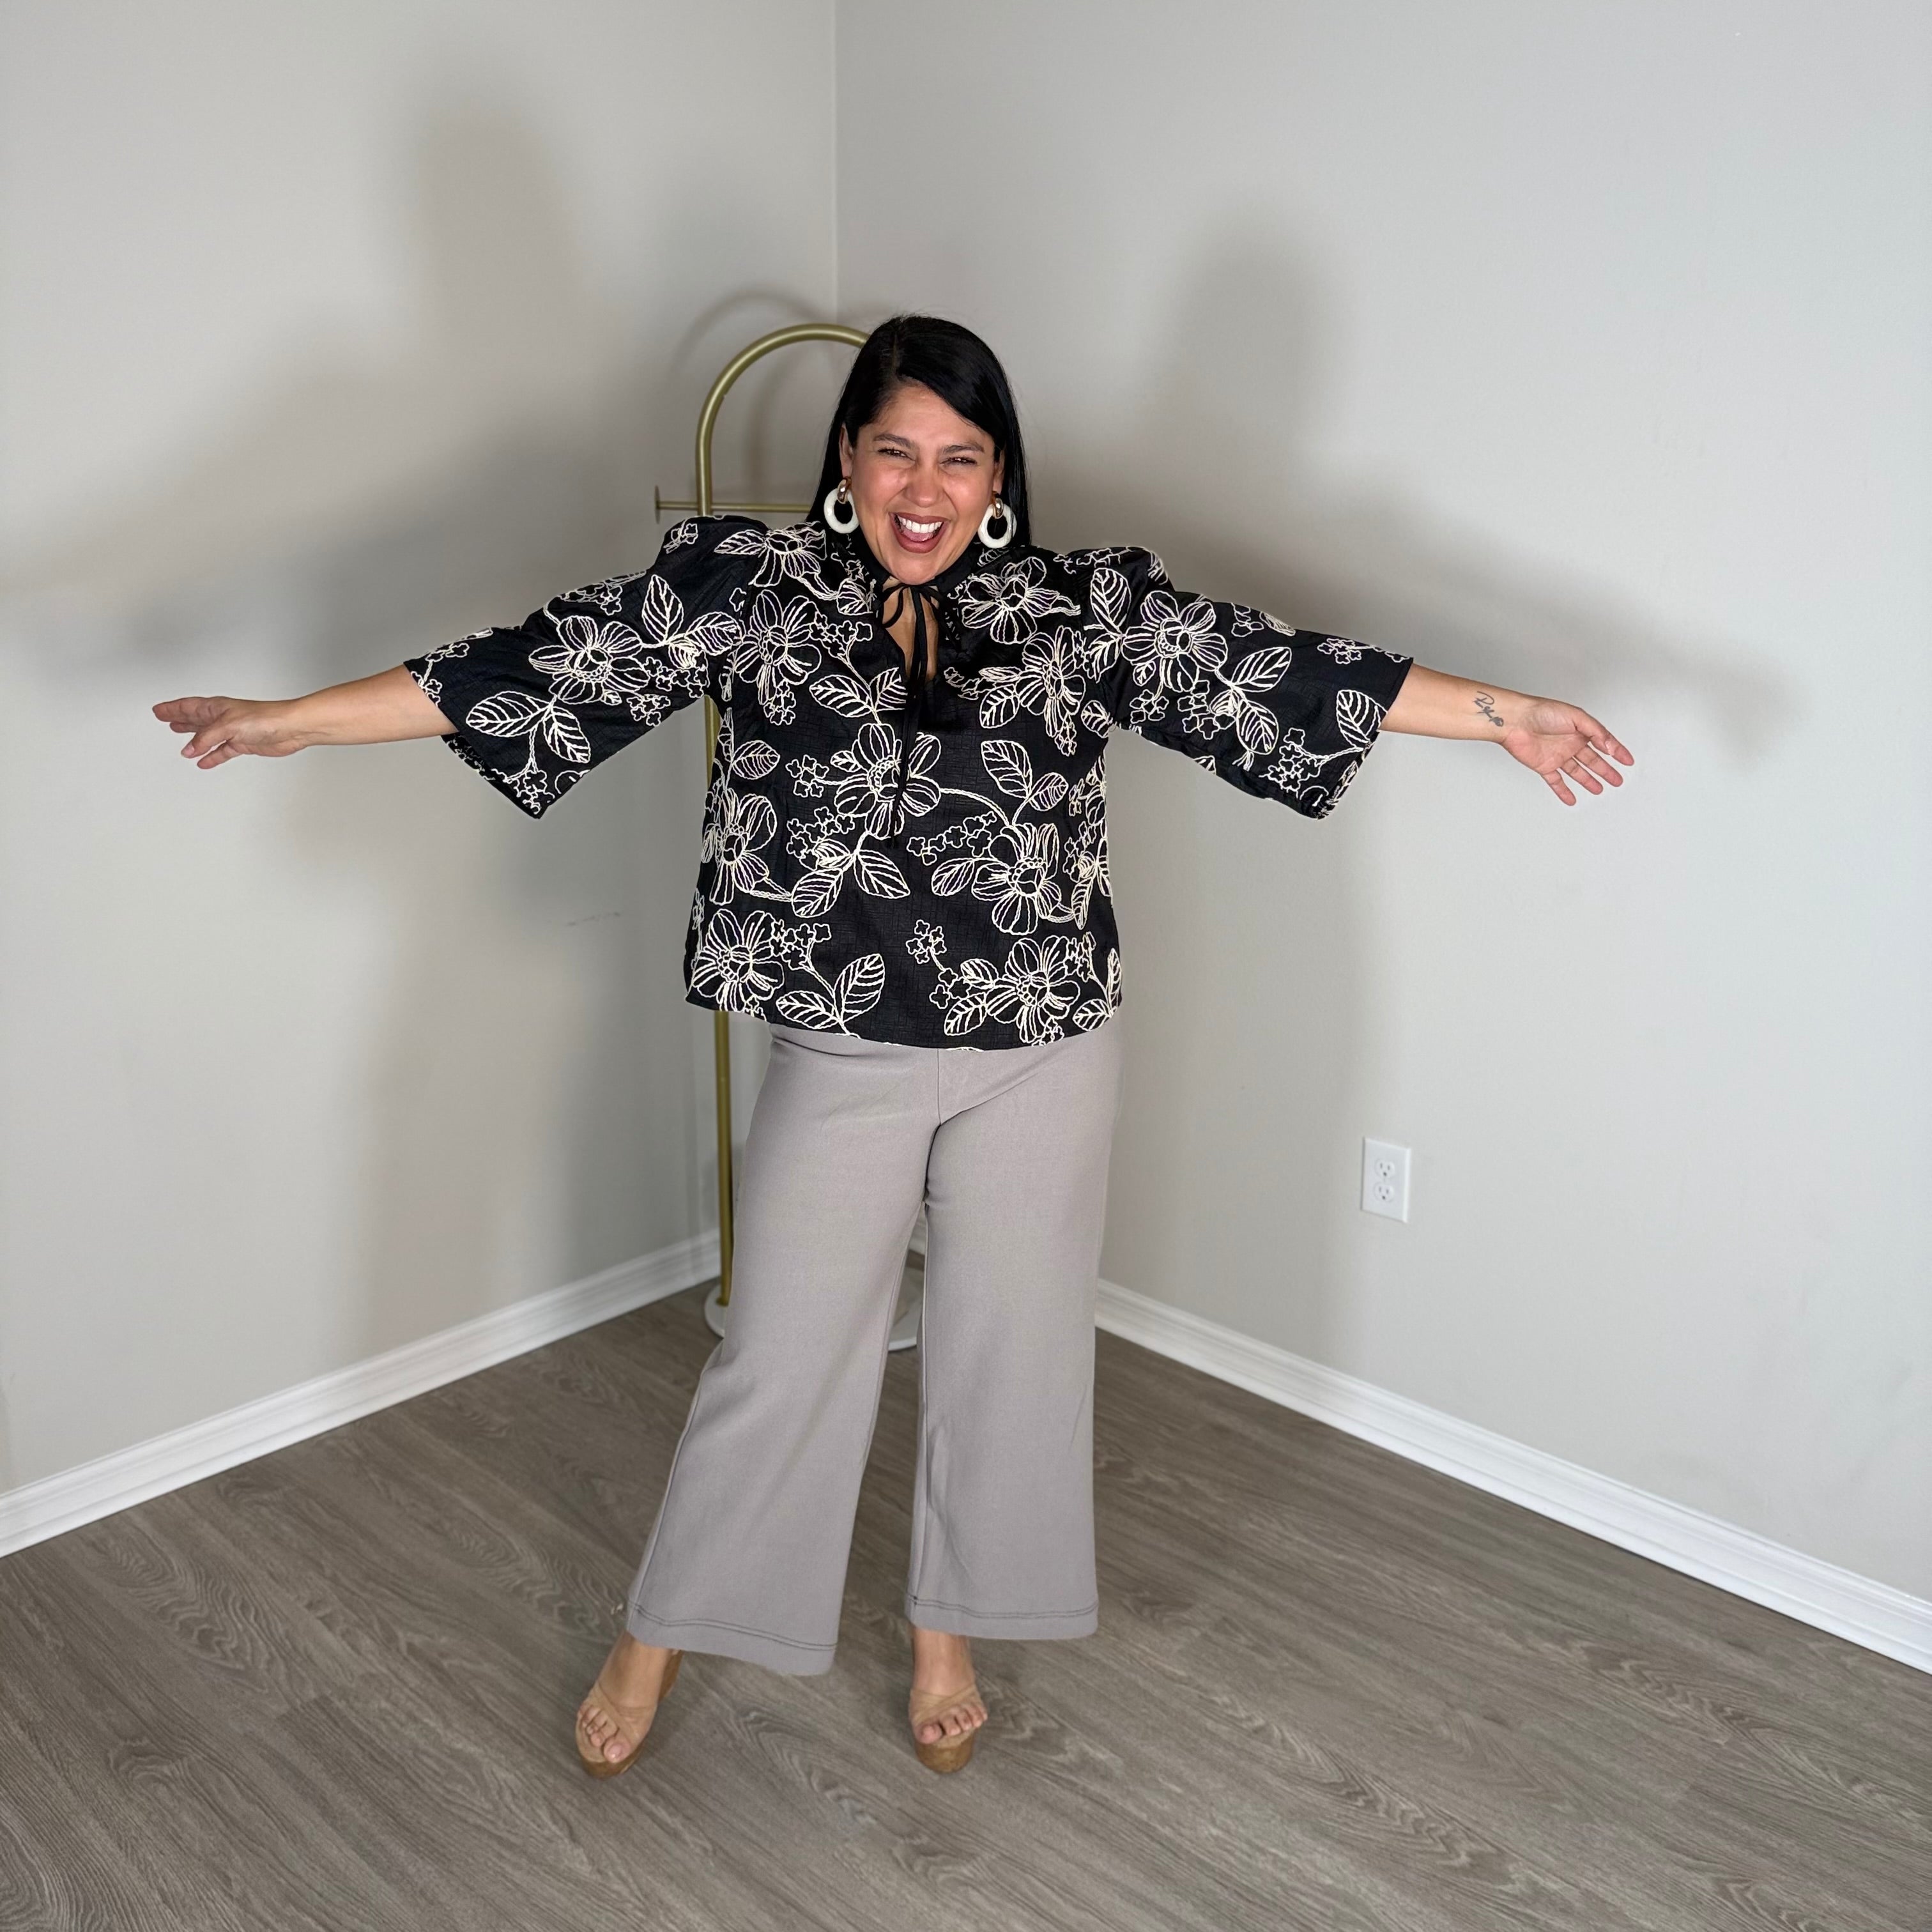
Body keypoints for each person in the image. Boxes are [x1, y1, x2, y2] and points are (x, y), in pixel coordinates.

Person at [152, 314, 1632, 1779]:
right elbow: (536, 667)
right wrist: (291, 722)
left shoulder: (1080, 608)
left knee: (1016, 1350)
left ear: (1001, 479)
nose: (925, 492)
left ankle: (950, 1629)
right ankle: (659, 1627)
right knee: (782, 1356)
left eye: (960, 459)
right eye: (896, 454)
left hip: (1046, 1041)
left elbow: (1277, 673)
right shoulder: (749, 588)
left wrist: (1509, 719)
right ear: (847, 464)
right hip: (848, 1048)